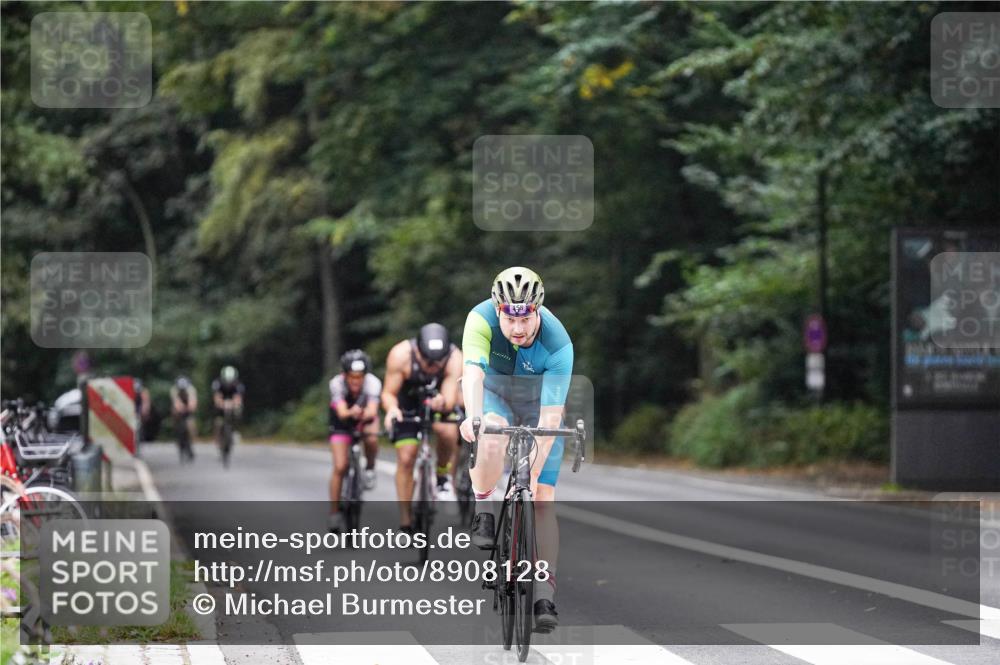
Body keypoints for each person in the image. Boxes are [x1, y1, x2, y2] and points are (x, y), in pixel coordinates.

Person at [459, 266, 573, 634]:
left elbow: (552, 416)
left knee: (542, 496)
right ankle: (483, 507)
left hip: (539, 404)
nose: (518, 329)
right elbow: (473, 374)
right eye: (509, 318)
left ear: (538, 310)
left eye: (526, 318)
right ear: (498, 309)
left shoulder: (558, 344)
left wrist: (534, 473)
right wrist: (471, 417)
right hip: (495, 395)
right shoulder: (479, 320)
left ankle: (543, 591)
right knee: (489, 432)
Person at [382, 323, 463, 535]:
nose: (433, 366)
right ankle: (405, 521)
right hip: (407, 401)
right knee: (407, 458)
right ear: (418, 351)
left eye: (438, 362)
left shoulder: (455, 358)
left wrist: (441, 403)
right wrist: (392, 410)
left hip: (437, 398)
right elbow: (389, 392)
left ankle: (443, 477)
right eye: (428, 361)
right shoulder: (400, 354)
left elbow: (450, 397)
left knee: (447, 431)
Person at [328, 349, 382, 533]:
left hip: (364, 418)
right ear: (345, 375)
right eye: (352, 377)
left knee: (372, 437)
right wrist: (352, 412)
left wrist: (363, 414)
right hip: (341, 422)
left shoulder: (373, 383)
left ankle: (369, 468)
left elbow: (373, 410)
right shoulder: (336, 384)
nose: (355, 381)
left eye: (360, 377)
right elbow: (342, 412)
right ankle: (334, 512)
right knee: (340, 466)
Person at [212, 365, 244, 450]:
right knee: (218, 422)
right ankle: (218, 439)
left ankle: (236, 430)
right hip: (221, 404)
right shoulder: (218, 383)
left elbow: (238, 398)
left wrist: (233, 404)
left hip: (232, 403)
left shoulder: (238, 384)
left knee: (238, 411)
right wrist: (221, 404)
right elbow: (217, 397)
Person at [170, 376, 198, 462]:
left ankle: (191, 444)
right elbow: (175, 401)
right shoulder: (174, 390)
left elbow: (193, 402)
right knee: (177, 424)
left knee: (191, 427)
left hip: (188, 411)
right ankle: (179, 442)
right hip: (179, 411)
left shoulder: (191, 389)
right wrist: (179, 408)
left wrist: (190, 407)